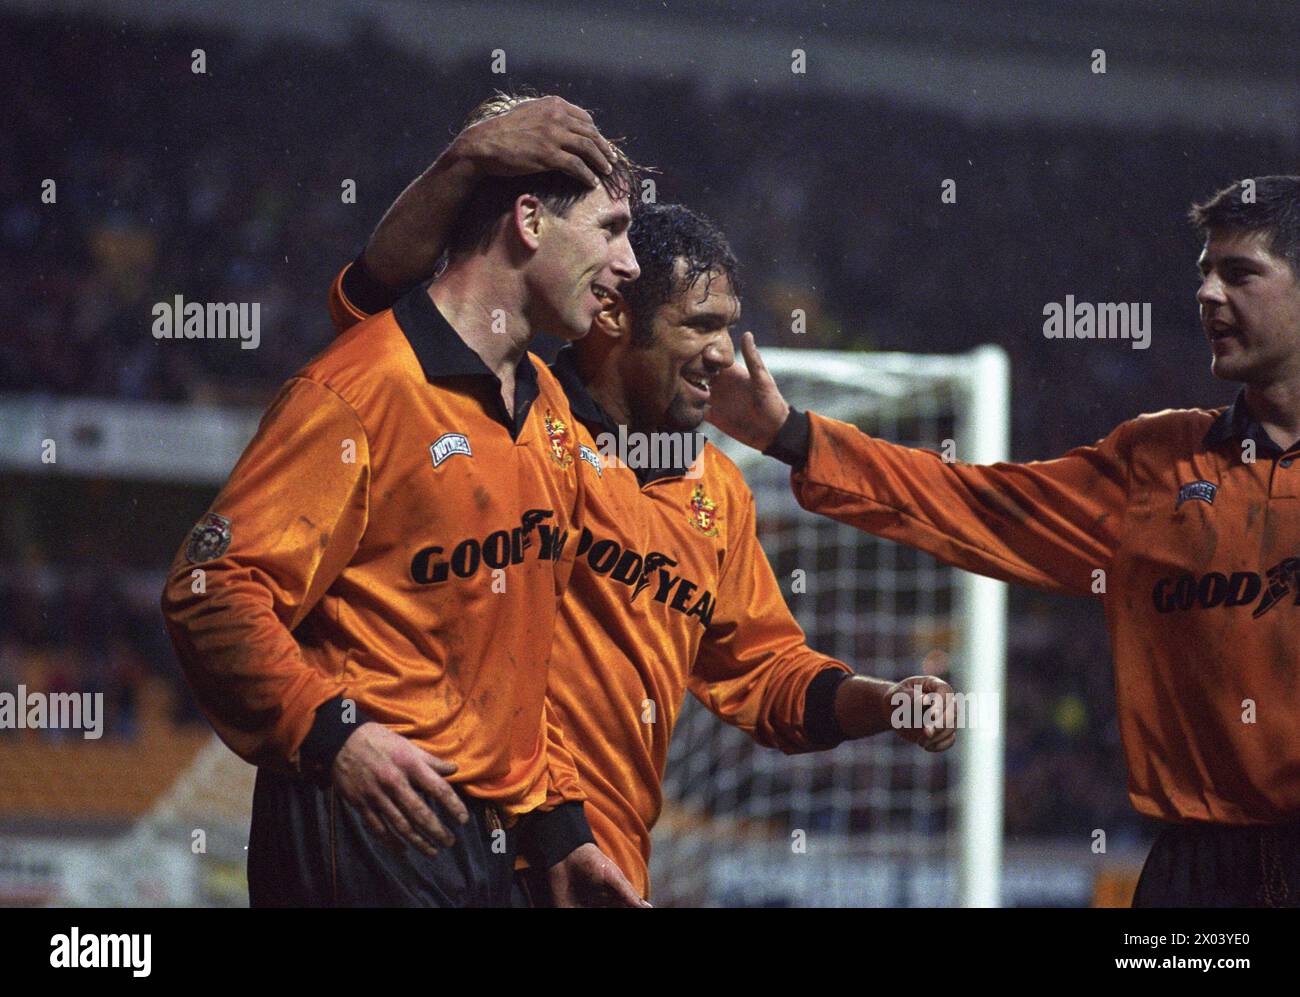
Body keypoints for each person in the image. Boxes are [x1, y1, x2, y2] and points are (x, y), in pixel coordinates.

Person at [328, 94, 957, 903]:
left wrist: (885, 701)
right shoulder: (516, 416)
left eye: (729, 324)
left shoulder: (715, 492)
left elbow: (765, 674)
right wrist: (468, 161)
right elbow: (380, 305)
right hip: (473, 837)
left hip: (608, 867)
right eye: (700, 324)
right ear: (615, 312)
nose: (724, 353)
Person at [707, 176, 1300, 908]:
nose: (1208, 293)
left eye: (1239, 273)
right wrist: (790, 435)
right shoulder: (1159, 462)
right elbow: (974, 504)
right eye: (1203, 272)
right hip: (1192, 876)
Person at [161, 94, 647, 907]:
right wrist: (333, 737)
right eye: (612, 229)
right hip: (360, 821)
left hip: (486, 839)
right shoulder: (359, 391)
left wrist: (560, 826)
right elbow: (209, 589)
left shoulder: (549, 411)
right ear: (529, 220)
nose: (629, 264)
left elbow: (518, 658)